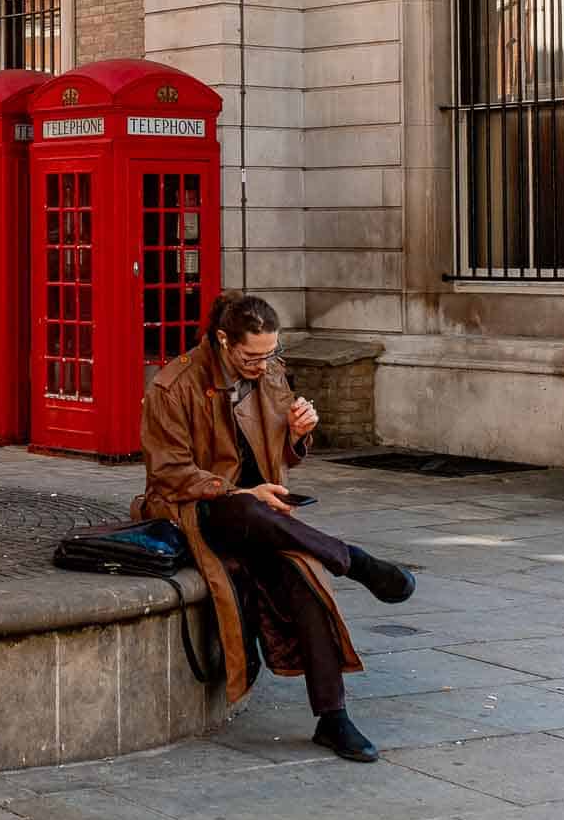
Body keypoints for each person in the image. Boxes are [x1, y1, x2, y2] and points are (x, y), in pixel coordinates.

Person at [133, 291, 415, 762]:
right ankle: (356, 561)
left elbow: (282, 456)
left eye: (271, 353)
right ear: (224, 340)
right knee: (245, 510)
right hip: (199, 510)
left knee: (305, 584)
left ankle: (333, 718)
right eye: (252, 355)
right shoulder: (173, 385)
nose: (263, 365)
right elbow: (169, 472)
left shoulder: (271, 374)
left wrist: (301, 433)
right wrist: (240, 493)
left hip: (264, 514)